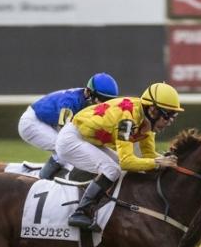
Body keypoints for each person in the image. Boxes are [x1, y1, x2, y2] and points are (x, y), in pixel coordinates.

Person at [55, 82, 184, 232]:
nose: (170, 122)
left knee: (120, 168)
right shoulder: (127, 121)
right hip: (71, 139)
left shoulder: (146, 121)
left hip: (87, 139)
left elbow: (148, 156)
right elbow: (127, 162)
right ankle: (80, 212)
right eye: (168, 116)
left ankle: (112, 206)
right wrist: (158, 162)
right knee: (112, 170)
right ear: (154, 110)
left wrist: (168, 160)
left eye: (174, 116)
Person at [18, 73, 120, 180]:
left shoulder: (85, 99)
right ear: (89, 92)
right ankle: (39, 182)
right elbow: (65, 136)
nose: (104, 104)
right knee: (63, 150)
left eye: (109, 100)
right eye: (102, 98)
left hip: (47, 122)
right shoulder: (70, 102)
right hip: (32, 122)